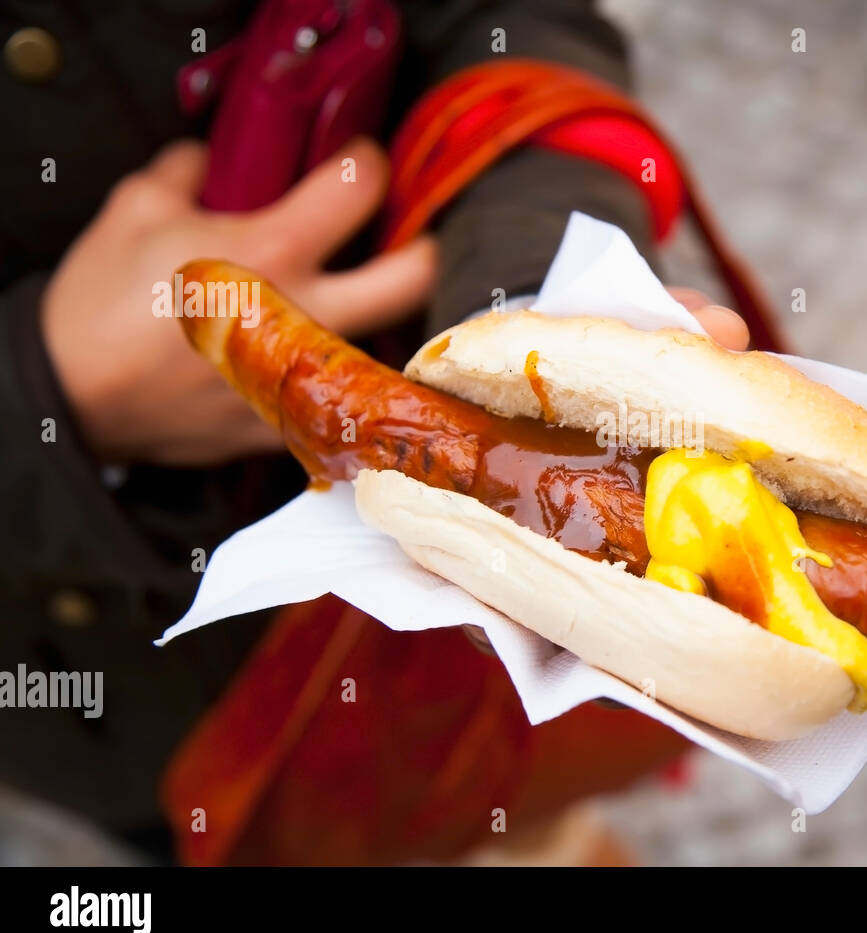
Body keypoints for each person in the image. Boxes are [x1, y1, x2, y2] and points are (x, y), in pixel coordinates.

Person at [0, 0, 746, 859]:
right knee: (237, 834)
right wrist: (46, 395)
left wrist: (531, 306)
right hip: (91, 696)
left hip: (460, 649)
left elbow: (505, 18)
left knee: (506, 791)